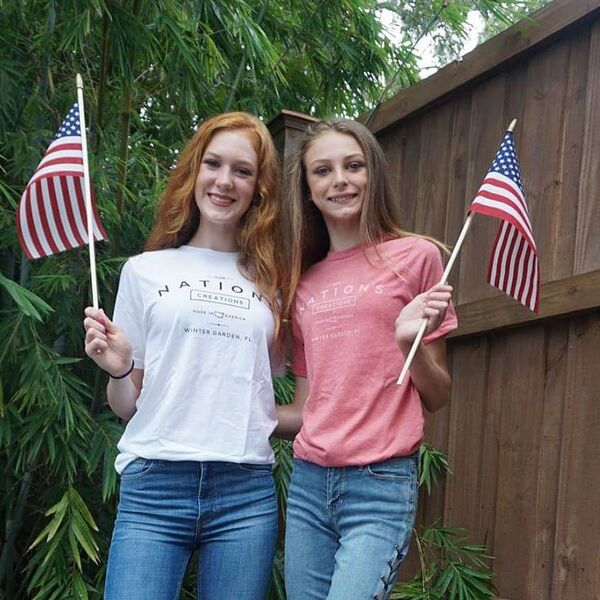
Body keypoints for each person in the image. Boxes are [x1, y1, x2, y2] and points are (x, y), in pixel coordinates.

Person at [83, 112, 288, 600]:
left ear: (259, 188)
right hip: (154, 483)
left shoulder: (275, 283)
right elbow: (127, 406)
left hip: (244, 491)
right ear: (195, 171)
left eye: (242, 170)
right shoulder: (144, 271)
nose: (224, 181)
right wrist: (120, 370)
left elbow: (275, 395)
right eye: (213, 164)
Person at [276, 118, 458, 600]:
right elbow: (306, 409)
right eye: (323, 170)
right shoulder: (302, 284)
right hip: (309, 484)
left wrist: (407, 345)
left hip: (381, 483)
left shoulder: (417, 257)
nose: (340, 180)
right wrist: (236, 413)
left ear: (372, 173)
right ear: (307, 189)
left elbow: (439, 394)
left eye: (353, 166)